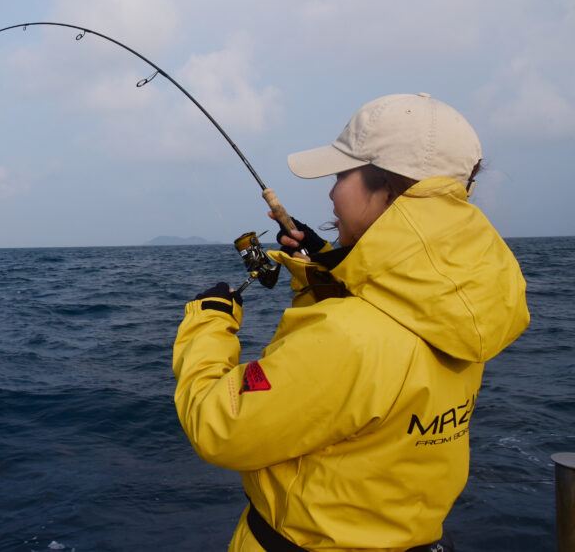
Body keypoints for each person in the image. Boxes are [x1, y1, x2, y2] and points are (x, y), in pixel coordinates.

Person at [172, 93, 529, 551]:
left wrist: (207, 322)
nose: (331, 191)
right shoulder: (459, 302)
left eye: (342, 175)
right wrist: (326, 262)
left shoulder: (348, 337)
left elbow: (219, 427)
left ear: (388, 188)